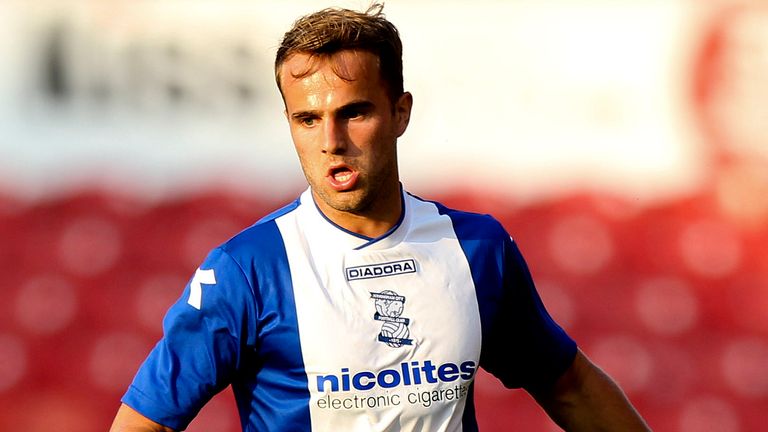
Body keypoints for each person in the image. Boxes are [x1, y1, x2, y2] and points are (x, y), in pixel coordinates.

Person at [110, 4, 650, 431]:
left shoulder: (477, 248)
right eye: (307, 118)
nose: (331, 142)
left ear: (400, 112)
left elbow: (570, 386)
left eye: (354, 112)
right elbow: (146, 423)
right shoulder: (246, 270)